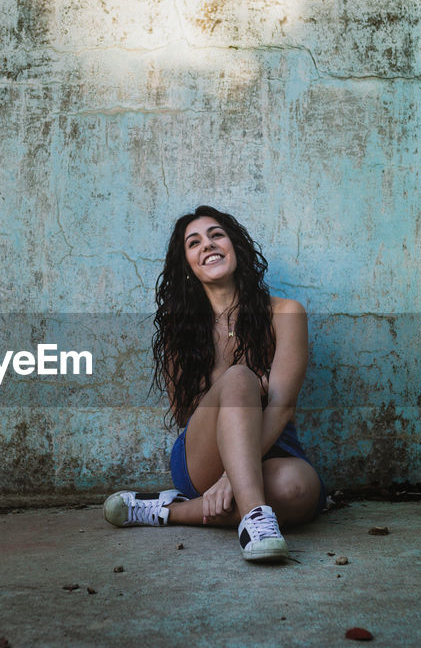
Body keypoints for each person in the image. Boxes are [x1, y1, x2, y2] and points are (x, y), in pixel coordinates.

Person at [103, 206, 325, 562]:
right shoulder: (182, 330)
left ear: (235, 246)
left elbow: (282, 406)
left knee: (297, 490)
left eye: (216, 235)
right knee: (240, 377)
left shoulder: (286, 313)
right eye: (194, 243)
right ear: (188, 266)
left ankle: (166, 511)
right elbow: (184, 414)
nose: (208, 244)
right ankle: (255, 518)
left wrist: (232, 477)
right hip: (202, 455)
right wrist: (248, 387)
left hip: (274, 443)